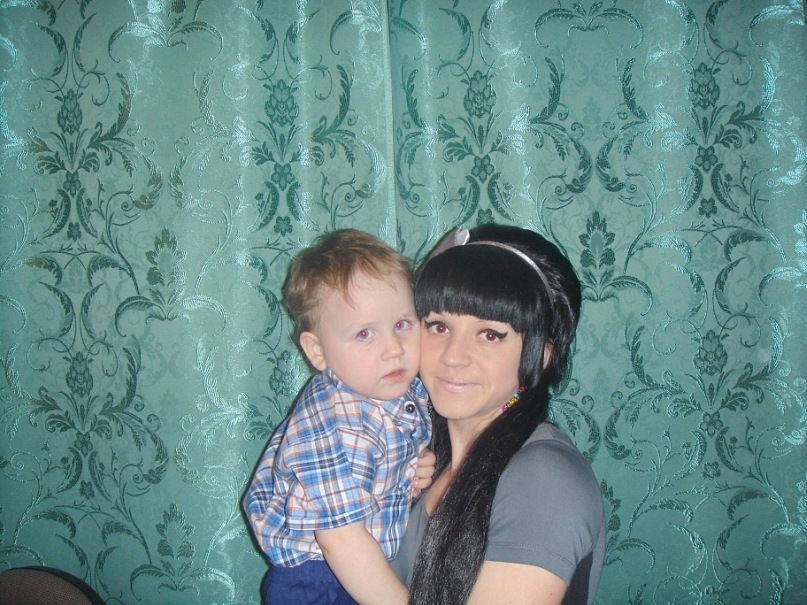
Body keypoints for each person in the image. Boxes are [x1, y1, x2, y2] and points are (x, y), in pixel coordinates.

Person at [391, 224, 606, 605]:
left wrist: (345, 545)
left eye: (490, 334)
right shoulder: (424, 460)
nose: (453, 356)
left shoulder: (543, 477)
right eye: (439, 326)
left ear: (541, 355)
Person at [243, 229, 432, 605]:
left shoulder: (392, 390)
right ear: (317, 351)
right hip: (320, 581)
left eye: (401, 324)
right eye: (364, 333)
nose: (393, 349)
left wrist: (412, 465)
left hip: (367, 564)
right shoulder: (328, 426)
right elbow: (342, 541)